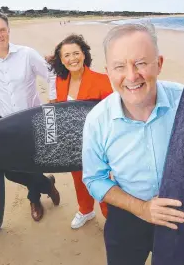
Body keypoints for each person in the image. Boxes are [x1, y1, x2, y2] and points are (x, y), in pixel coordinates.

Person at [82, 23, 184, 264]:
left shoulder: (182, 101)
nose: (131, 76)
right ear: (108, 71)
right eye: (119, 66)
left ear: (158, 63)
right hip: (128, 212)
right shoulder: (97, 120)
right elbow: (94, 179)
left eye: (140, 63)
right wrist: (142, 209)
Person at [0, 11, 60, 222]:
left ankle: (34, 199)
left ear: (9, 30)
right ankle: (46, 184)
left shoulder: (27, 54)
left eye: (2, 29)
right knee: (10, 171)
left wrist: (53, 99)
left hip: (33, 120)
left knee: (32, 164)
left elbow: (51, 74)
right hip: (4, 124)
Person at [49, 34, 113, 229]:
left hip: (98, 144)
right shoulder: (60, 81)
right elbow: (58, 111)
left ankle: (111, 218)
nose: (72, 59)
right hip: (73, 142)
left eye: (76, 53)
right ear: (61, 59)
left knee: (102, 181)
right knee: (78, 179)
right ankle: (86, 210)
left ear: (84, 55)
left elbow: (113, 115)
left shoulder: (102, 80)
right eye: (66, 55)